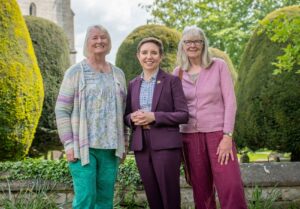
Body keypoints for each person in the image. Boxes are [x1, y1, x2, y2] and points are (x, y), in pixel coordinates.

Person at [173, 26, 247, 209]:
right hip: (190, 137)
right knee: (201, 190)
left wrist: (227, 136)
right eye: (188, 41)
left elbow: (230, 102)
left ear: (203, 44)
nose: (192, 45)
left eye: (196, 41)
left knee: (231, 185)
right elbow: (173, 107)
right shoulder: (178, 72)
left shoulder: (218, 65)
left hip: (218, 135)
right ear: (182, 45)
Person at [55, 25, 128, 209]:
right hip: (82, 147)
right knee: (86, 197)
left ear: (109, 42)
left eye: (103, 37)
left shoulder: (118, 74)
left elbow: (125, 111)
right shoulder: (75, 72)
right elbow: (62, 109)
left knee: (105, 200)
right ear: (87, 42)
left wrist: (125, 142)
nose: (99, 41)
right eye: (94, 38)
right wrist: (68, 143)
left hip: (111, 148)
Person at [124, 37, 188, 209]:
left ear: (160, 56)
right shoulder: (133, 84)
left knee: (169, 195)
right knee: (152, 195)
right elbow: (126, 115)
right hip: (141, 146)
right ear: (138, 56)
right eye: (144, 53)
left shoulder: (172, 81)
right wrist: (132, 118)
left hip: (166, 145)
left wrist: (155, 117)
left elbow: (183, 115)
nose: (149, 56)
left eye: (153, 52)